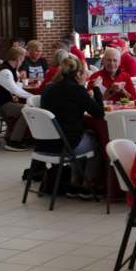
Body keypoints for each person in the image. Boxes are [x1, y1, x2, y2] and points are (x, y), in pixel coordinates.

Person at [37, 55, 105, 196]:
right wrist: (97, 89)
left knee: (81, 135)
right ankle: (87, 185)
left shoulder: (49, 88)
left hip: (43, 144)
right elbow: (99, 113)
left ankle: (74, 183)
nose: (87, 76)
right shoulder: (76, 90)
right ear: (79, 74)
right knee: (97, 141)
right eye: (85, 73)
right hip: (64, 146)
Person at [0, 46, 33, 151]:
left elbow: (16, 87)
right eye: (22, 59)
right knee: (28, 110)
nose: (22, 62)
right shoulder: (5, 72)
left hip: (2, 103)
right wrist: (34, 96)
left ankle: (12, 136)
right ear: (18, 59)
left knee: (26, 108)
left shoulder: (9, 69)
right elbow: (16, 91)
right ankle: (14, 141)